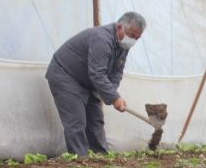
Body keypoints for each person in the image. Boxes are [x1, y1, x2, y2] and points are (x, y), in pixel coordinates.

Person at [46, 12, 146, 157]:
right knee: (76, 120)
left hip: (88, 81)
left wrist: (111, 94)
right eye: (132, 35)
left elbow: (116, 72)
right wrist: (114, 97)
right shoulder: (102, 39)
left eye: (137, 38)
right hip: (66, 75)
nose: (133, 41)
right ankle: (80, 160)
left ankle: (101, 157)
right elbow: (97, 73)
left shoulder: (123, 45)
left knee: (96, 120)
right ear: (119, 27)